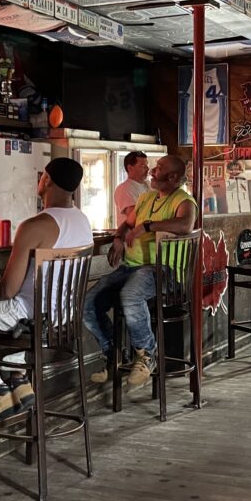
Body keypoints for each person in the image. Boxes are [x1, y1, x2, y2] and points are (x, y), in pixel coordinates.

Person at [0, 156, 93, 423]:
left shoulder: (34, 226)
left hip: (31, 320)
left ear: (46, 180)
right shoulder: (83, 220)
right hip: (63, 320)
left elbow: (8, 291)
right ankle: (17, 378)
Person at [83, 154, 196, 388]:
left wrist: (147, 226)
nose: (152, 170)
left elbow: (185, 225)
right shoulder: (147, 198)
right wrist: (118, 238)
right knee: (88, 304)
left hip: (162, 271)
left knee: (131, 294)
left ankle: (146, 354)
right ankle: (114, 355)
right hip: (131, 268)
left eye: (158, 168)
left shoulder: (183, 201)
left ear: (172, 177)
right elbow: (127, 223)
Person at [114, 150, 149, 224]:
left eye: (147, 165)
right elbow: (135, 218)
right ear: (130, 168)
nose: (147, 169)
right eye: (143, 166)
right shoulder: (125, 189)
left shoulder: (149, 185)